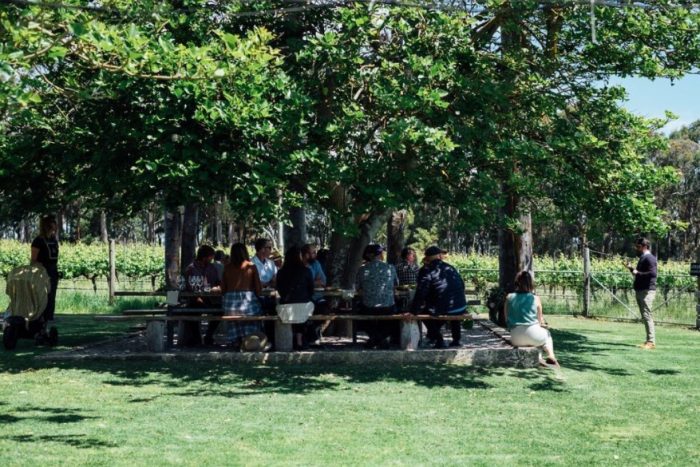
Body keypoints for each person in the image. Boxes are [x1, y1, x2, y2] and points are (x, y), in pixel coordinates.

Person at [411, 246, 467, 348]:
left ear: (427, 258)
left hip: (445, 308)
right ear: (439, 256)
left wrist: (413, 311)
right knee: (450, 309)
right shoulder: (450, 267)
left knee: (424, 313)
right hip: (461, 306)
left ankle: (439, 340)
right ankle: (456, 340)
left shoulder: (426, 270)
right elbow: (462, 286)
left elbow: (421, 292)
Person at [504, 270, 559, 367]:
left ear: (517, 283)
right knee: (547, 335)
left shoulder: (509, 297)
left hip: (516, 338)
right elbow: (540, 320)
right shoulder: (535, 298)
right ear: (531, 284)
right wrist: (543, 325)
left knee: (536, 338)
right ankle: (551, 355)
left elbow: (506, 319)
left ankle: (538, 358)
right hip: (534, 335)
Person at [355, 244, 399, 349]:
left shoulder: (362, 270)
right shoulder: (390, 268)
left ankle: (375, 339)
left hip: (368, 306)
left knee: (360, 313)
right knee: (394, 314)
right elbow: (396, 284)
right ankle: (380, 339)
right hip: (388, 307)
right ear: (380, 255)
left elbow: (357, 287)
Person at [221, 243, 264, 348]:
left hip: (230, 303)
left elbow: (223, 289)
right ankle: (249, 338)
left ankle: (235, 339)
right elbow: (258, 289)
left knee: (233, 319)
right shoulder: (251, 266)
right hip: (247, 302)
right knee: (257, 311)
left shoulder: (227, 268)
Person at [276, 246, 315, 350]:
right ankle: (300, 340)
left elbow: (279, 289)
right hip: (304, 306)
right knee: (303, 310)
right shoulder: (306, 271)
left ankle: (295, 339)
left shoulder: (280, 272)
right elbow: (311, 290)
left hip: (285, 306)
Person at [182, 245, 222, 346]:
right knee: (192, 311)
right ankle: (196, 338)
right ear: (204, 257)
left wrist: (219, 287)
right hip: (195, 300)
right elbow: (191, 288)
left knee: (220, 310)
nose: (212, 259)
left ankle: (209, 335)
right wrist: (199, 296)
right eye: (210, 257)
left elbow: (218, 282)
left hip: (211, 299)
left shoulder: (212, 268)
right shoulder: (191, 269)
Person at [625, 237, 658, 349]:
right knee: (645, 315)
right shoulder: (643, 258)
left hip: (647, 291)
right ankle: (649, 340)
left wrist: (637, 272)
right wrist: (630, 268)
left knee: (647, 315)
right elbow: (638, 273)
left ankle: (651, 342)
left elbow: (652, 274)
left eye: (638, 247)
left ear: (644, 246)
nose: (636, 249)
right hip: (641, 290)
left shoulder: (649, 258)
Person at [30, 215, 60, 322]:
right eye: (54, 223)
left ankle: (48, 319)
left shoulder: (54, 240)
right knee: (42, 297)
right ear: (47, 225)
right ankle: (39, 319)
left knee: (51, 297)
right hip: (41, 272)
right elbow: (33, 260)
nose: (56, 226)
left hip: (53, 271)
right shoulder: (38, 241)